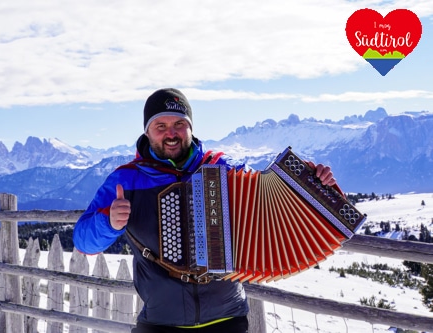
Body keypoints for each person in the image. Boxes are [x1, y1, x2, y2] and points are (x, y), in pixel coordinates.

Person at [73, 88, 338, 333]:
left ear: (190, 128)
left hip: (228, 319)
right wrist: (108, 222)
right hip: (160, 323)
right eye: (160, 126)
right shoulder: (127, 179)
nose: (171, 133)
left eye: (179, 124)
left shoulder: (223, 169)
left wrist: (316, 184)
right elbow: (83, 241)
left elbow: (273, 202)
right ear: (147, 132)